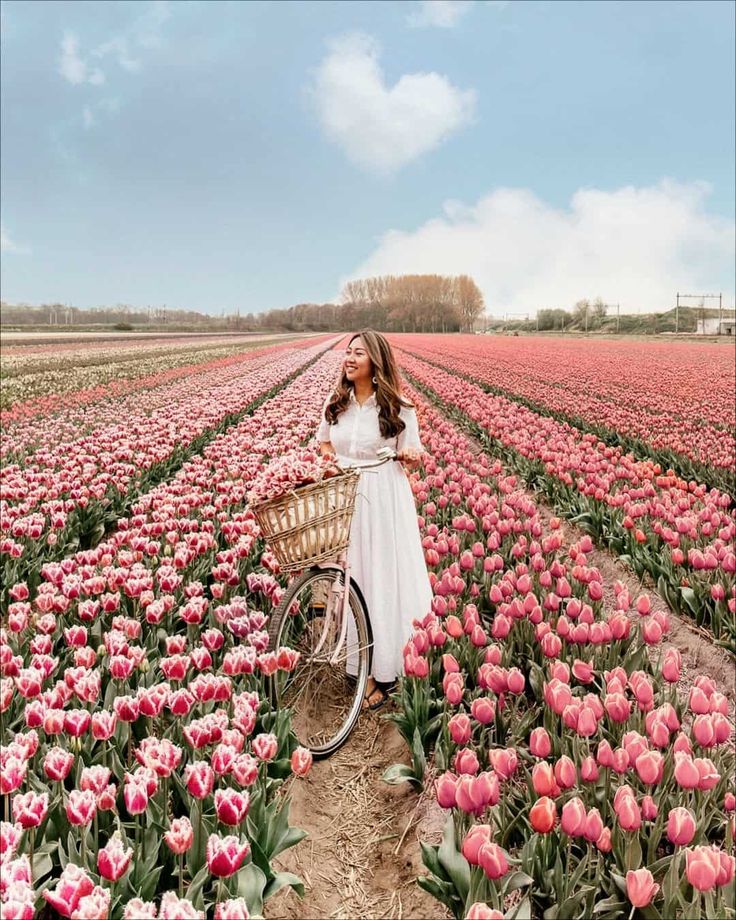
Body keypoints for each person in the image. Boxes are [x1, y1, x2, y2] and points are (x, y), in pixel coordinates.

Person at [316, 330, 433, 710]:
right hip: (346, 493)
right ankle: (360, 663)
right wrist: (334, 463)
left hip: (383, 495)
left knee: (382, 577)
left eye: (358, 353)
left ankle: (385, 669)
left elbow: (413, 451)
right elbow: (324, 442)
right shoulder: (337, 403)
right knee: (355, 577)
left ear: (375, 361)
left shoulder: (399, 407)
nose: (349, 359)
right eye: (347, 353)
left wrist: (411, 454)